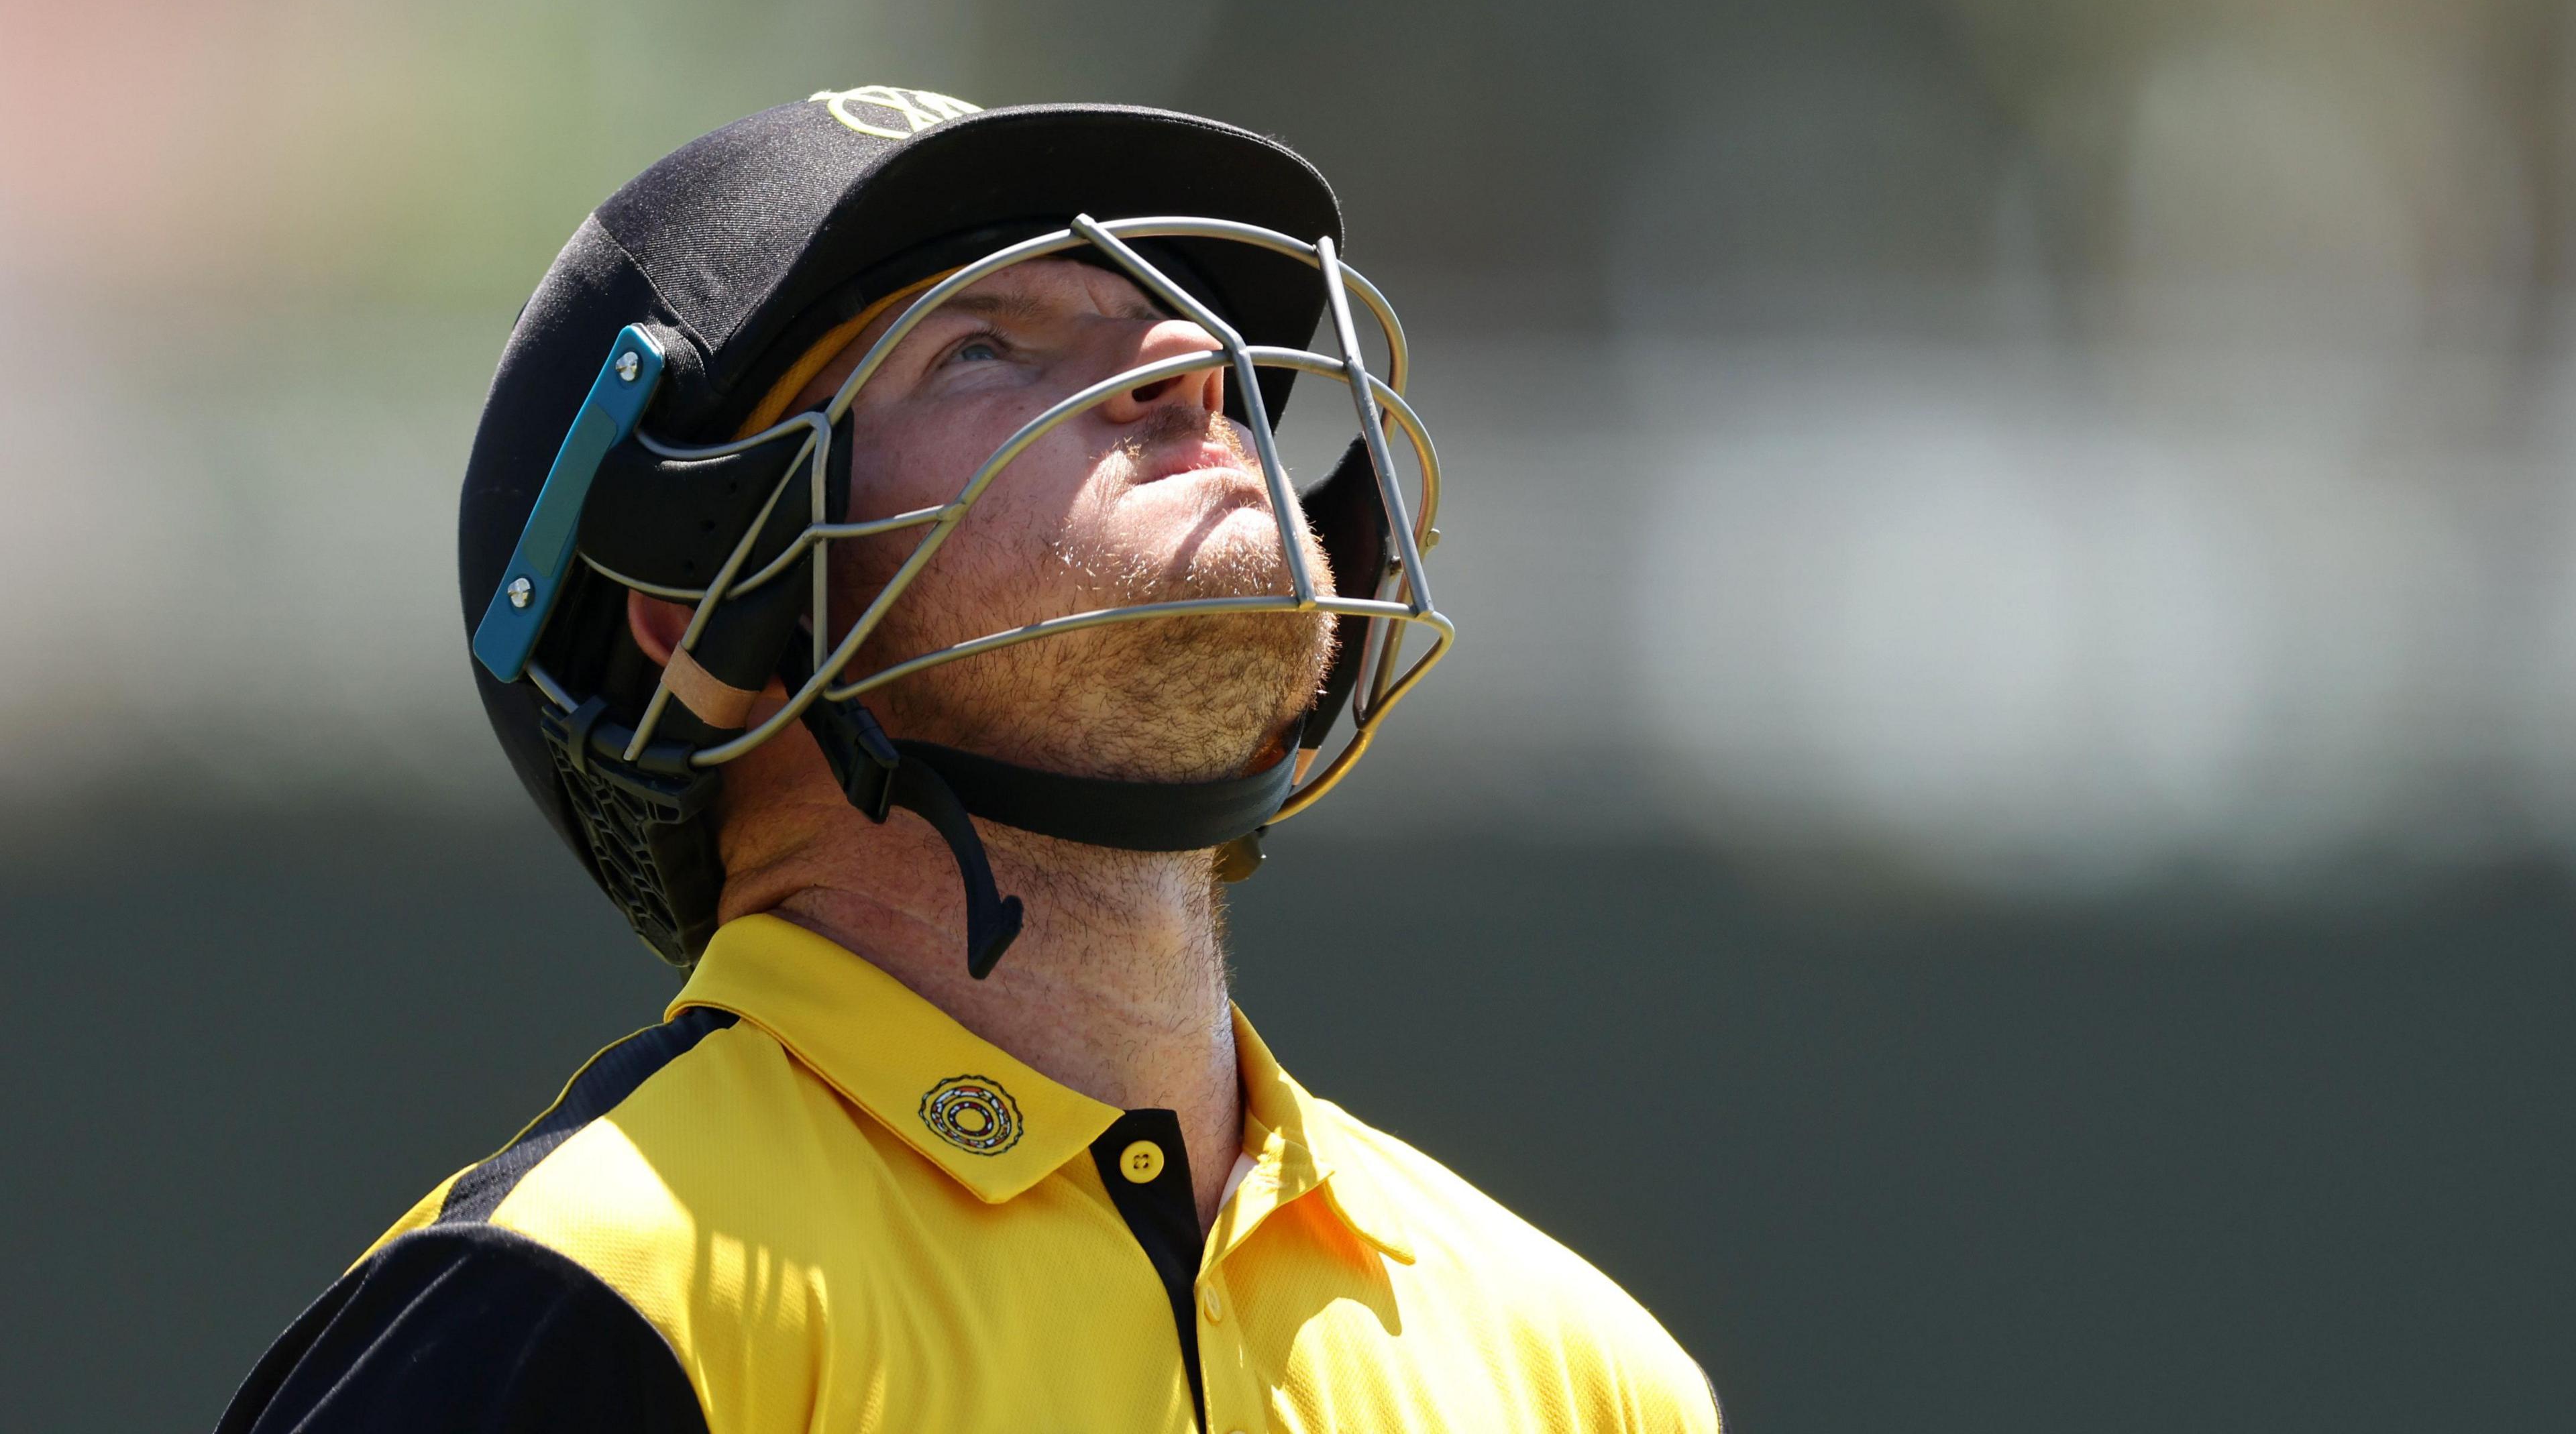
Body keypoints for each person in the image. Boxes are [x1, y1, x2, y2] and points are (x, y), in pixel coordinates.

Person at [216, 86, 1721, 1433]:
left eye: (1171, 320)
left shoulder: (1584, 1373)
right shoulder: (586, 1304)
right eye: (983, 346)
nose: (1193, 359)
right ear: (701, 611)